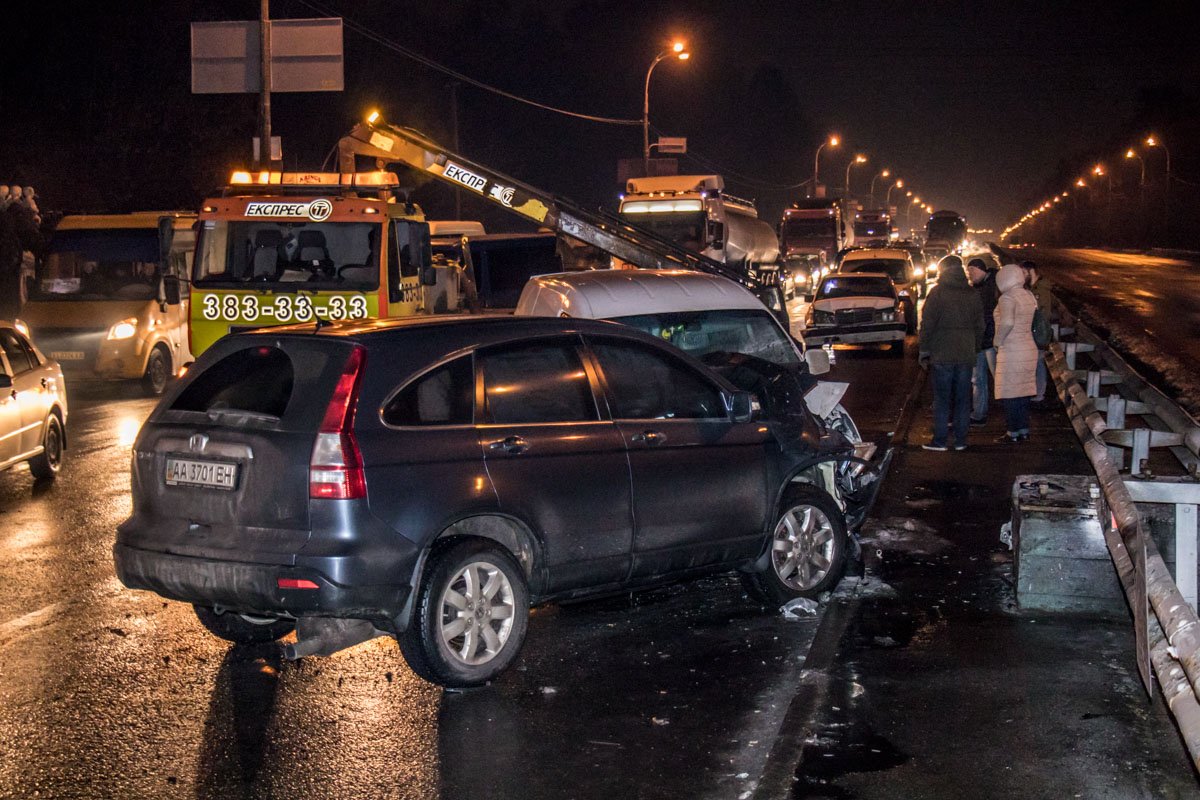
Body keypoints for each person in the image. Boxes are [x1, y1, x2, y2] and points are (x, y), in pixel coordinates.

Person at [918, 255, 985, 451]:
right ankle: (961, 440)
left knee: (942, 399)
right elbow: (980, 325)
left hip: (942, 352)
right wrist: (975, 347)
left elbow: (927, 324)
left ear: (943, 271)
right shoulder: (972, 293)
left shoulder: (937, 293)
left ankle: (940, 441)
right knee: (963, 399)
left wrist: (924, 349)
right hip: (965, 353)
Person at [992, 263, 1039, 442]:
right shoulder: (1028, 295)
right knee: (1023, 392)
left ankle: (1012, 432)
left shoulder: (1007, 298)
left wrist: (997, 341)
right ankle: (1024, 429)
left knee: (1009, 392)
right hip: (1029, 347)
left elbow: (1007, 323)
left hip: (1012, 349)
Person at [967, 258, 998, 425]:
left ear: (980, 269)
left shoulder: (993, 286)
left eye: (972, 270)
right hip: (979, 341)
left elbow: (990, 316)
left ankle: (1012, 416)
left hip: (991, 341)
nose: (970, 274)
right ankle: (979, 414)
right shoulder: (977, 288)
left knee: (997, 377)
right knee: (977, 379)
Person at [1021, 260, 1049, 402]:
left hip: (1038, 332)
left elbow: (1043, 314)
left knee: (1038, 362)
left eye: (1024, 272)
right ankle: (1036, 391)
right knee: (1035, 362)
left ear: (1031, 271)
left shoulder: (1040, 290)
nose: (1022, 276)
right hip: (1034, 331)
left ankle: (1040, 393)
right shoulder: (1033, 288)